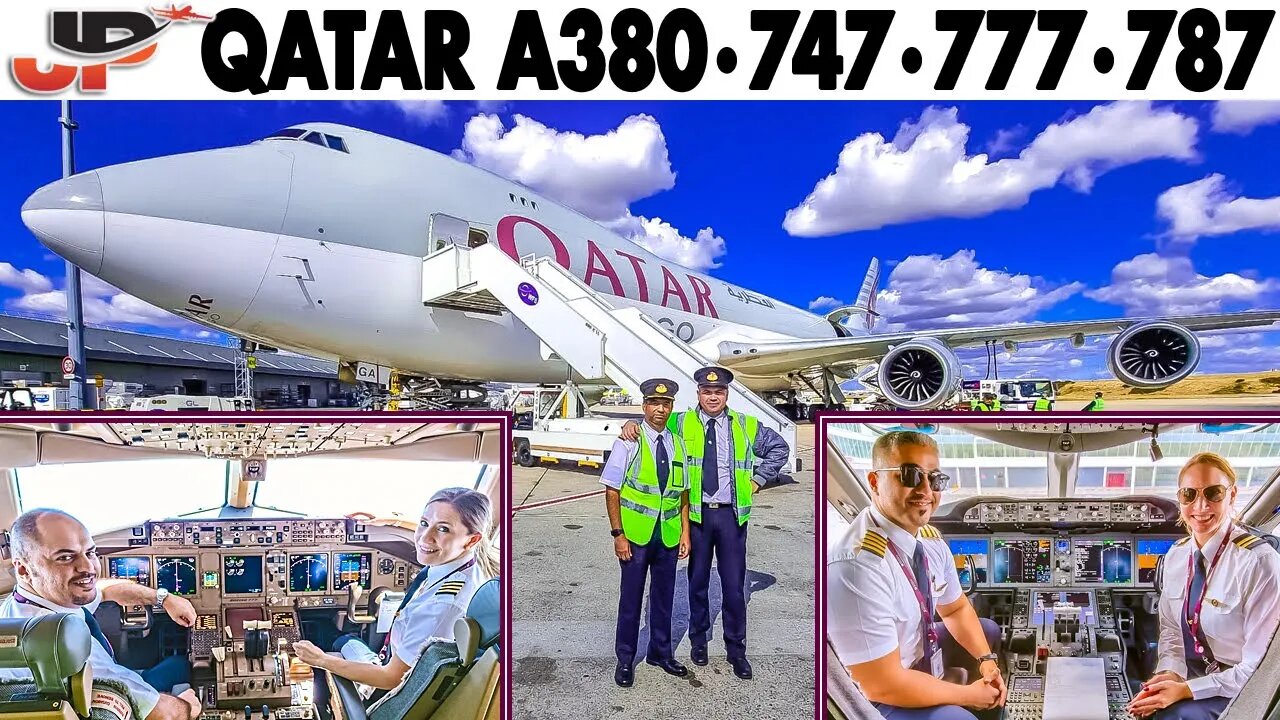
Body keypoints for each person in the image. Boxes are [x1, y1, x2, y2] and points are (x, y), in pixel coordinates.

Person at [620, 365, 791, 679]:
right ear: (698, 393)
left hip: (731, 516)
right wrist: (629, 423)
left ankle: (736, 650)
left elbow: (780, 448)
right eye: (707, 391)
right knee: (697, 583)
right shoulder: (681, 421)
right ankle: (699, 641)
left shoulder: (745, 424)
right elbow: (650, 421)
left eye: (719, 391)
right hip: (697, 516)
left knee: (734, 588)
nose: (713, 396)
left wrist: (758, 480)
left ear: (727, 394)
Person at [828, 431, 1006, 719]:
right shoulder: (857, 566)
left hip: (915, 655)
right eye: (910, 475)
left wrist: (987, 662)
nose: (925, 490)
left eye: (935, 479)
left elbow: (957, 608)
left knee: (987, 630)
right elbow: (882, 685)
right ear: (874, 481)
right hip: (875, 695)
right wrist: (970, 695)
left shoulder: (929, 541)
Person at [293, 487, 498, 703]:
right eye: (424, 523)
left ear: (472, 540)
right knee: (343, 639)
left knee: (336, 641)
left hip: (388, 688)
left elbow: (393, 678)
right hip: (395, 658)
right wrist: (394, 522)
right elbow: (436, 529)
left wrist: (322, 660)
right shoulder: (468, 564)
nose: (424, 538)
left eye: (443, 530)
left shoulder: (443, 606)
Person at [0, 508, 201, 720]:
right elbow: (161, 715)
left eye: (90, 553)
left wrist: (163, 598)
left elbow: (104, 590)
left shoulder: (25, 604)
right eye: (66, 557)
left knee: (177, 665)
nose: (88, 567)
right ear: (23, 569)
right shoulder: (69, 652)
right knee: (186, 675)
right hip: (107, 702)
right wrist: (188, 706)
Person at [1127, 453, 1280, 719]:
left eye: (1213, 493)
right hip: (1196, 672)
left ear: (1232, 496)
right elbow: (1172, 632)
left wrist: (1186, 690)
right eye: (1189, 494)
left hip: (1242, 688)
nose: (1201, 505)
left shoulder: (1259, 562)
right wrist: (1168, 675)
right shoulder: (1176, 555)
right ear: (1180, 498)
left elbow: (1258, 671)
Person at [601, 378, 691, 687]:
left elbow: (683, 495)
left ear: (671, 408)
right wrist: (618, 535)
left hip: (667, 535)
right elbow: (612, 491)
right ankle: (625, 659)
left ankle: (660, 653)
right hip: (636, 537)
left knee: (664, 599)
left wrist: (685, 534)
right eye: (654, 403)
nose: (660, 409)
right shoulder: (628, 442)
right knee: (631, 601)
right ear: (644, 407)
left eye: (665, 404)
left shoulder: (678, 443)